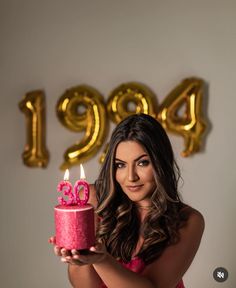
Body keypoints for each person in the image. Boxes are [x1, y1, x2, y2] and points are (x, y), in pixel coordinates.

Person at [50, 113, 205, 288]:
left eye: (142, 163)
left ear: (160, 163)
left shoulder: (188, 220)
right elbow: (85, 286)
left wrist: (101, 259)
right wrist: (80, 252)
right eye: (120, 165)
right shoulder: (94, 200)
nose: (130, 177)